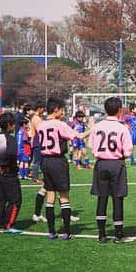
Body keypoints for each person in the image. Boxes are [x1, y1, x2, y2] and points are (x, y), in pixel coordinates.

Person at [37, 98, 89, 240]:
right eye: (62, 110)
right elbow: (78, 136)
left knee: (50, 196)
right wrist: (92, 128)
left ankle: (52, 231)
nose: (63, 112)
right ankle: (66, 231)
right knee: (64, 196)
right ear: (56, 110)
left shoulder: (41, 125)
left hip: (45, 162)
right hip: (58, 161)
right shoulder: (59, 124)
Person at [89, 96, 133, 243]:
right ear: (120, 110)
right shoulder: (122, 128)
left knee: (102, 198)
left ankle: (101, 235)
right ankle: (118, 235)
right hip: (116, 164)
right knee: (117, 198)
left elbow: (92, 146)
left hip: (101, 163)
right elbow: (128, 151)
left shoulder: (97, 127)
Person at [29, 102, 45, 183]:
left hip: (38, 140)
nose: (44, 110)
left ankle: (36, 176)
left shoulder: (38, 117)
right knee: (37, 160)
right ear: (39, 108)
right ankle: (35, 177)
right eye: (43, 108)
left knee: (40, 160)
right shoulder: (36, 118)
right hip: (37, 141)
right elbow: (40, 130)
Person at [16, 116, 32, 180]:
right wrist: (30, 142)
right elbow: (25, 139)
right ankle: (26, 175)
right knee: (26, 163)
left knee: (21, 162)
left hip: (19, 150)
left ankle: (21, 175)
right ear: (24, 124)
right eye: (27, 124)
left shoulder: (18, 131)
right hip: (25, 149)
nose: (28, 125)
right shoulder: (24, 131)